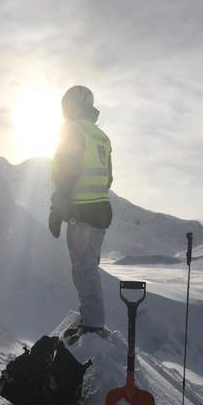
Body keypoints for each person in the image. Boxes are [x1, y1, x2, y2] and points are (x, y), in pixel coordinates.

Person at [49, 85, 113, 339]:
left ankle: (93, 324)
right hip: (100, 210)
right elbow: (108, 177)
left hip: (82, 211)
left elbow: (66, 171)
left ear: (70, 106)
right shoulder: (101, 136)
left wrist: (57, 207)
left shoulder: (72, 130)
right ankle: (90, 317)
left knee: (83, 268)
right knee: (89, 267)